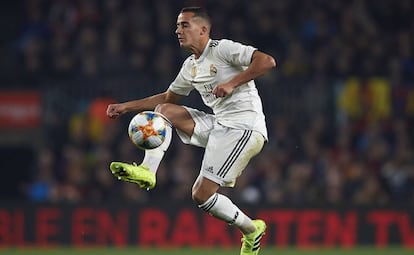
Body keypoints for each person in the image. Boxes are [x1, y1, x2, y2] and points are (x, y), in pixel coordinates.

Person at [106, 7, 276, 255]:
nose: (178, 30)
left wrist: (231, 83)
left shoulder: (222, 49)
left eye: (184, 25)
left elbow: (267, 61)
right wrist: (125, 106)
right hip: (220, 124)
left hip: (244, 127)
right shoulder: (190, 66)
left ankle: (252, 231)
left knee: (201, 194)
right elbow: (167, 96)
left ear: (203, 29)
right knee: (165, 109)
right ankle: (147, 170)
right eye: (177, 25)